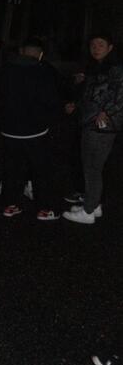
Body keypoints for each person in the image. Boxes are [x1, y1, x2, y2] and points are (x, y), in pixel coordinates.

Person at [0, 38, 61, 221]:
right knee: (40, 169)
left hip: (8, 130)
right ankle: (45, 208)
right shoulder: (43, 72)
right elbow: (51, 101)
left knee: (11, 168)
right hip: (35, 131)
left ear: (22, 51)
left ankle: (9, 205)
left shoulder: (5, 70)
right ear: (40, 54)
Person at [63, 33, 123, 224]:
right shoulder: (95, 67)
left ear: (110, 47)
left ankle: (88, 212)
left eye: (101, 44)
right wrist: (76, 104)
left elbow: (119, 95)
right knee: (90, 166)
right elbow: (91, 96)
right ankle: (94, 205)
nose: (96, 48)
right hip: (90, 121)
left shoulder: (115, 68)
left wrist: (107, 112)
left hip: (102, 125)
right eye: (93, 44)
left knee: (93, 167)